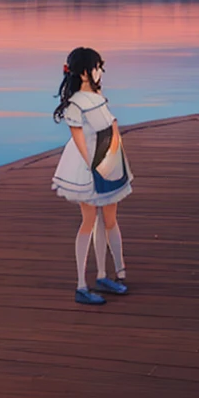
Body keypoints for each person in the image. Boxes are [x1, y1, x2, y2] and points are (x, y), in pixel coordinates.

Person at [51, 47, 133, 305]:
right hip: (90, 166)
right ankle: (81, 284)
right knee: (89, 221)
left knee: (109, 220)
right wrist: (93, 165)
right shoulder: (76, 105)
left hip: (110, 162)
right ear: (85, 72)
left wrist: (117, 162)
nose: (100, 72)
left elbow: (113, 128)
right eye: (97, 67)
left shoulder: (99, 98)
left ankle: (107, 274)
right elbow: (78, 140)